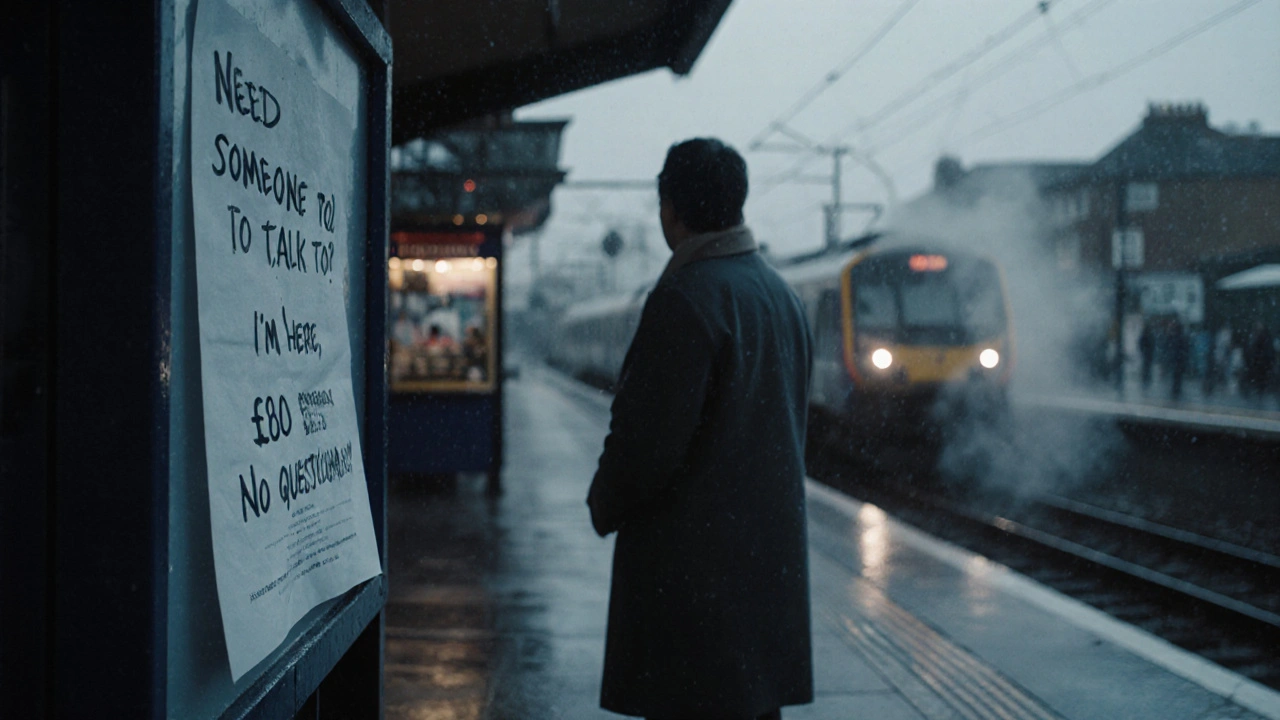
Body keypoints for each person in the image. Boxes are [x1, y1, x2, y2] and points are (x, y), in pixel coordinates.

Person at [586, 138, 814, 720]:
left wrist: (605, 502)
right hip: (765, 579)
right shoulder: (782, 297)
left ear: (670, 207)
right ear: (737, 203)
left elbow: (647, 444)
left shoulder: (686, 298)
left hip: (692, 593)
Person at [1138, 319, 1156, 390]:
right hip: (1148, 353)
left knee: (1146, 366)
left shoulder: (1146, 335)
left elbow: (1141, 343)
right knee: (1147, 366)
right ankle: (1146, 378)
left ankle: (1146, 378)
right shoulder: (1148, 335)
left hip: (1147, 353)